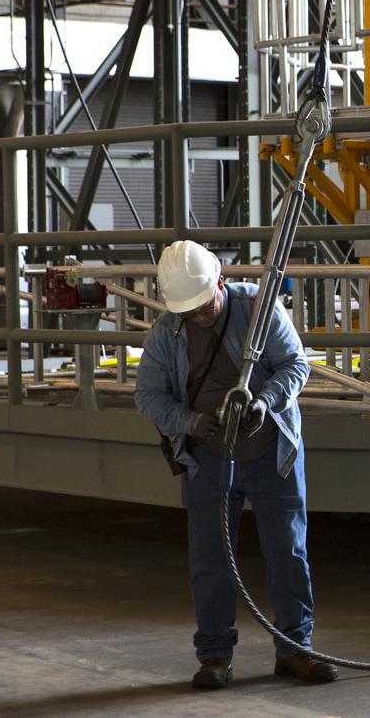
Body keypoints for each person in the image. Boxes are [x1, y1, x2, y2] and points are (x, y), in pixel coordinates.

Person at [135, 240, 337, 689]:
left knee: (287, 550)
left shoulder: (259, 310)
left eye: (204, 304)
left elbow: (295, 365)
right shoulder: (166, 333)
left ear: (220, 282)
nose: (199, 315)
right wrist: (193, 423)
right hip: (207, 457)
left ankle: (295, 649)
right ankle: (214, 655)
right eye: (190, 310)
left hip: (270, 451)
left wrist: (266, 402)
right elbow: (147, 395)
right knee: (210, 558)